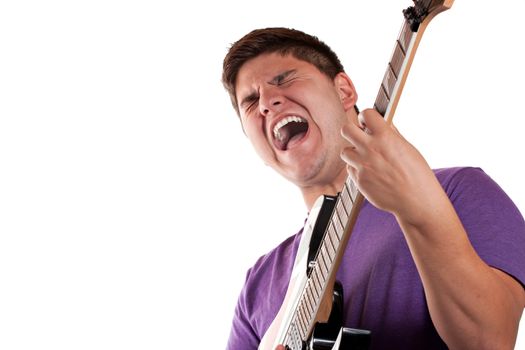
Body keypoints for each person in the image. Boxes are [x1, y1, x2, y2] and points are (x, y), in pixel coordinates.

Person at [221, 27, 525, 350]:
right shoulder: (257, 286)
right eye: (251, 102)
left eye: (283, 79)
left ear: (344, 91)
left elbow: (490, 341)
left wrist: (416, 207)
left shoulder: (458, 191)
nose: (267, 102)